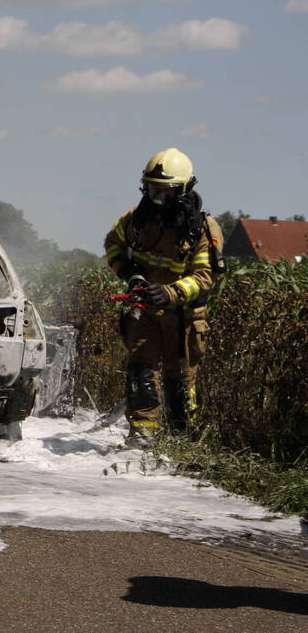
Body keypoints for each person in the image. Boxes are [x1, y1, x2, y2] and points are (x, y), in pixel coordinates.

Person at [103, 147, 217, 445]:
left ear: (184, 189)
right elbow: (113, 243)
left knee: (180, 379)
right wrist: (131, 274)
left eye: (166, 192)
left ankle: (183, 440)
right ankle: (143, 434)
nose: (157, 198)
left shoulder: (202, 229)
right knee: (140, 368)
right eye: (153, 189)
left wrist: (170, 293)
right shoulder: (136, 220)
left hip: (184, 317)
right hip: (144, 311)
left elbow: (205, 277)